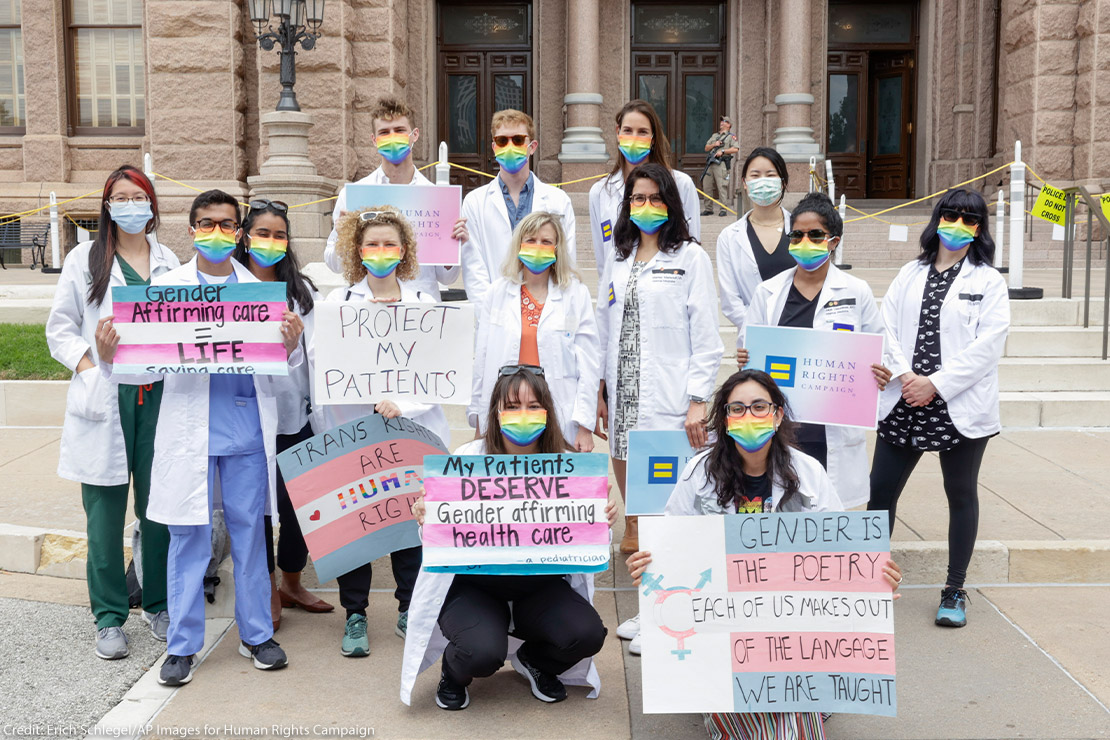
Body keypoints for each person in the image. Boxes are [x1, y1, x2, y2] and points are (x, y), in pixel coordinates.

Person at [96, 189, 305, 686]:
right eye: (206, 223)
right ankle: (183, 645)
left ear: (239, 233)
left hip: (246, 432)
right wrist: (108, 354)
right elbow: (134, 372)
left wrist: (291, 347)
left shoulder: (259, 296)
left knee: (252, 534)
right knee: (188, 538)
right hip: (188, 432)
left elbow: (281, 374)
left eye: (227, 224)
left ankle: (256, 635)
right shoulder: (165, 293)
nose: (217, 233)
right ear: (190, 230)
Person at [627, 369, 903, 740]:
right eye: (737, 408)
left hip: (790, 624)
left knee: (783, 696)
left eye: (759, 406)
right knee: (758, 700)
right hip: (722, 623)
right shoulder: (699, 473)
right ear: (724, 420)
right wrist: (650, 566)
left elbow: (843, 552)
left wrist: (874, 579)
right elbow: (674, 545)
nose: (749, 416)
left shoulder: (809, 473)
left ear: (777, 415)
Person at [402, 367, 612, 711]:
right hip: (475, 586)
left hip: (539, 587)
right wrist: (427, 515)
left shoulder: (567, 468)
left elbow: (582, 541)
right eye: (512, 406)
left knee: (587, 634)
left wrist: (601, 518)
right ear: (496, 413)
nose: (523, 415)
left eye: (533, 406)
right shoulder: (467, 461)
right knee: (481, 652)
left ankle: (537, 661)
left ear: (547, 411)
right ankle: (453, 673)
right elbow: (440, 537)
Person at [46, 164, 180, 660]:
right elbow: (59, 329)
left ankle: (160, 605)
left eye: (137, 195)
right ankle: (108, 618)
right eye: (119, 197)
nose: (129, 205)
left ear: (151, 204)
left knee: (160, 510)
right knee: (103, 518)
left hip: (159, 396)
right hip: (105, 396)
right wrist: (89, 365)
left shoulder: (168, 261)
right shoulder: (85, 259)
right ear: (106, 206)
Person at [868, 188, 1009, 629]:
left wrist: (937, 384)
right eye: (951, 216)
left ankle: (954, 589)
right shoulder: (910, 273)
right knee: (879, 494)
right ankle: (871, 578)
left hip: (957, 402)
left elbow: (989, 346)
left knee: (961, 494)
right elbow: (885, 325)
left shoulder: (989, 281)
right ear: (936, 220)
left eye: (970, 220)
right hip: (905, 397)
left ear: (980, 229)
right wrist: (907, 376)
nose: (958, 226)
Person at [596, 162, 722, 652]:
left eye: (655, 198)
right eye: (637, 199)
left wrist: (697, 402)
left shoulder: (690, 258)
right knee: (643, 515)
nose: (645, 207)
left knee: (672, 517)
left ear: (670, 203)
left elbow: (706, 339)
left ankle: (670, 614)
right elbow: (607, 330)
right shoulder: (619, 256)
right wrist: (603, 391)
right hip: (625, 406)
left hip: (670, 407)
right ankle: (651, 607)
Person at [313, 205, 451, 655]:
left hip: (410, 431)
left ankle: (409, 607)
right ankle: (355, 615)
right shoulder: (339, 306)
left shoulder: (425, 306)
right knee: (358, 526)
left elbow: (438, 372)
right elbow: (324, 367)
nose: (381, 251)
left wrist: (402, 403)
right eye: (372, 243)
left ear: (405, 250)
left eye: (390, 243)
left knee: (408, 521)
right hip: (355, 432)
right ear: (357, 249)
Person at [739, 193, 891, 508]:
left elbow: (879, 349)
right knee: (780, 515)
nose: (804, 240)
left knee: (829, 520)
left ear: (833, 241)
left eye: (815, 234)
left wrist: (879, 371)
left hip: (830, 431)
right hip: (782, 427)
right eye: (797, 234)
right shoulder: (767, 292)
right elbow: (748, 351)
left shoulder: (856, 291)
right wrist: (746, 357)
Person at [232, 198, 334, 626]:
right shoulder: (229, 287)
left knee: (299, 507)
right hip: (247, 416)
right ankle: (266, 586)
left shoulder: (302, 291)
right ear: (245, 237)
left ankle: (292, 581)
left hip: (297, 414)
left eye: (279, 235)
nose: (270, 242)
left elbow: (320, 355)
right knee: (257, 507)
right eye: (262, 233)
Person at [469, 211, 599, 451]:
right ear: (519, 245)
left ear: (557, 248)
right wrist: (479, 417)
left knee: (552, 485)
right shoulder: (496, 293)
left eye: (546, 242)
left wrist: (585, 426)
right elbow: (482, 360)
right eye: (531, 240)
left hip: (558, 410)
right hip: (508, 413)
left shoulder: (575, 294)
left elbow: (589, 366)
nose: (538, 247)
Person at [323, 96, 467, 299]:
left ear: (414, 135)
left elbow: (447, 278)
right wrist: (341, 235)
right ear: (374, 140)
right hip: (368, 307)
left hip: (421, 308)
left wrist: (452, 246)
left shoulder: (437, 197)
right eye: (384, 132)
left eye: (399, 131)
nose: (392, 137)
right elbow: (334, 265)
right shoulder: (355, 194)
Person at [459, 109, 577, 303]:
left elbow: (567, 263)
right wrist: (490, 317)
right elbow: (474, 269)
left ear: (532, 146)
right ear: (494, 147)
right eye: (502, 141)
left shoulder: (558, 200)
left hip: (546, 310)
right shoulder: (474, 202)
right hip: (494, 313)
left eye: (518, 140)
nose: (510, 146)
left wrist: (551, 311)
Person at [589, 99, 701, 277]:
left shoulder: (681, 185)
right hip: (620, 292)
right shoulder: (600, 192)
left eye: (642, 132)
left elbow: (692, 248)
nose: (634, 138)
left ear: (653, 139)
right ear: (618, 133)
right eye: (627, 131)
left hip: (667, 292)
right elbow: (603, 262)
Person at [717, 147, 793, 344]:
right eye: (755, 175)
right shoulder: (729, 237)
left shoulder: (801, 229)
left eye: (770, 175)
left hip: (799, 335)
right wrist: (759, 331)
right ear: (744, 183)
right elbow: (731, 300)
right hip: (754, 341)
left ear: (783, 182)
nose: (763, 181)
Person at [700, 116, 739, 217]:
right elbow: (706, 148)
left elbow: (735, 149)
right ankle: (708, 209)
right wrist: (714, 144)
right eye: (721, 121)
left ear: (729, 125)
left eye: (725, 121)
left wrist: (723, 151)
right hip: (711, 163)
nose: (722, 122)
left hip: (721, 164)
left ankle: (723, 209)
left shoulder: (731, 136)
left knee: (722, 186)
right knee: (707, 185)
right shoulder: (714, 136)